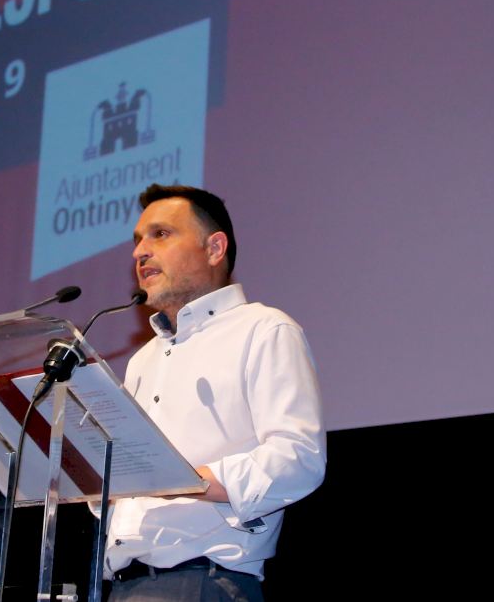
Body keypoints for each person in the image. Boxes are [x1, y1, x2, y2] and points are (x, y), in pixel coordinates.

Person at [103, 184, 326, 601]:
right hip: (121, 584)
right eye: (137, 240)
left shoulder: (263, 330)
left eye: (160, 234)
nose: (140, 252)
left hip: (203, 582)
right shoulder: (142, 360)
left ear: (214, 248)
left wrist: (186, 481)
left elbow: (298, 458)